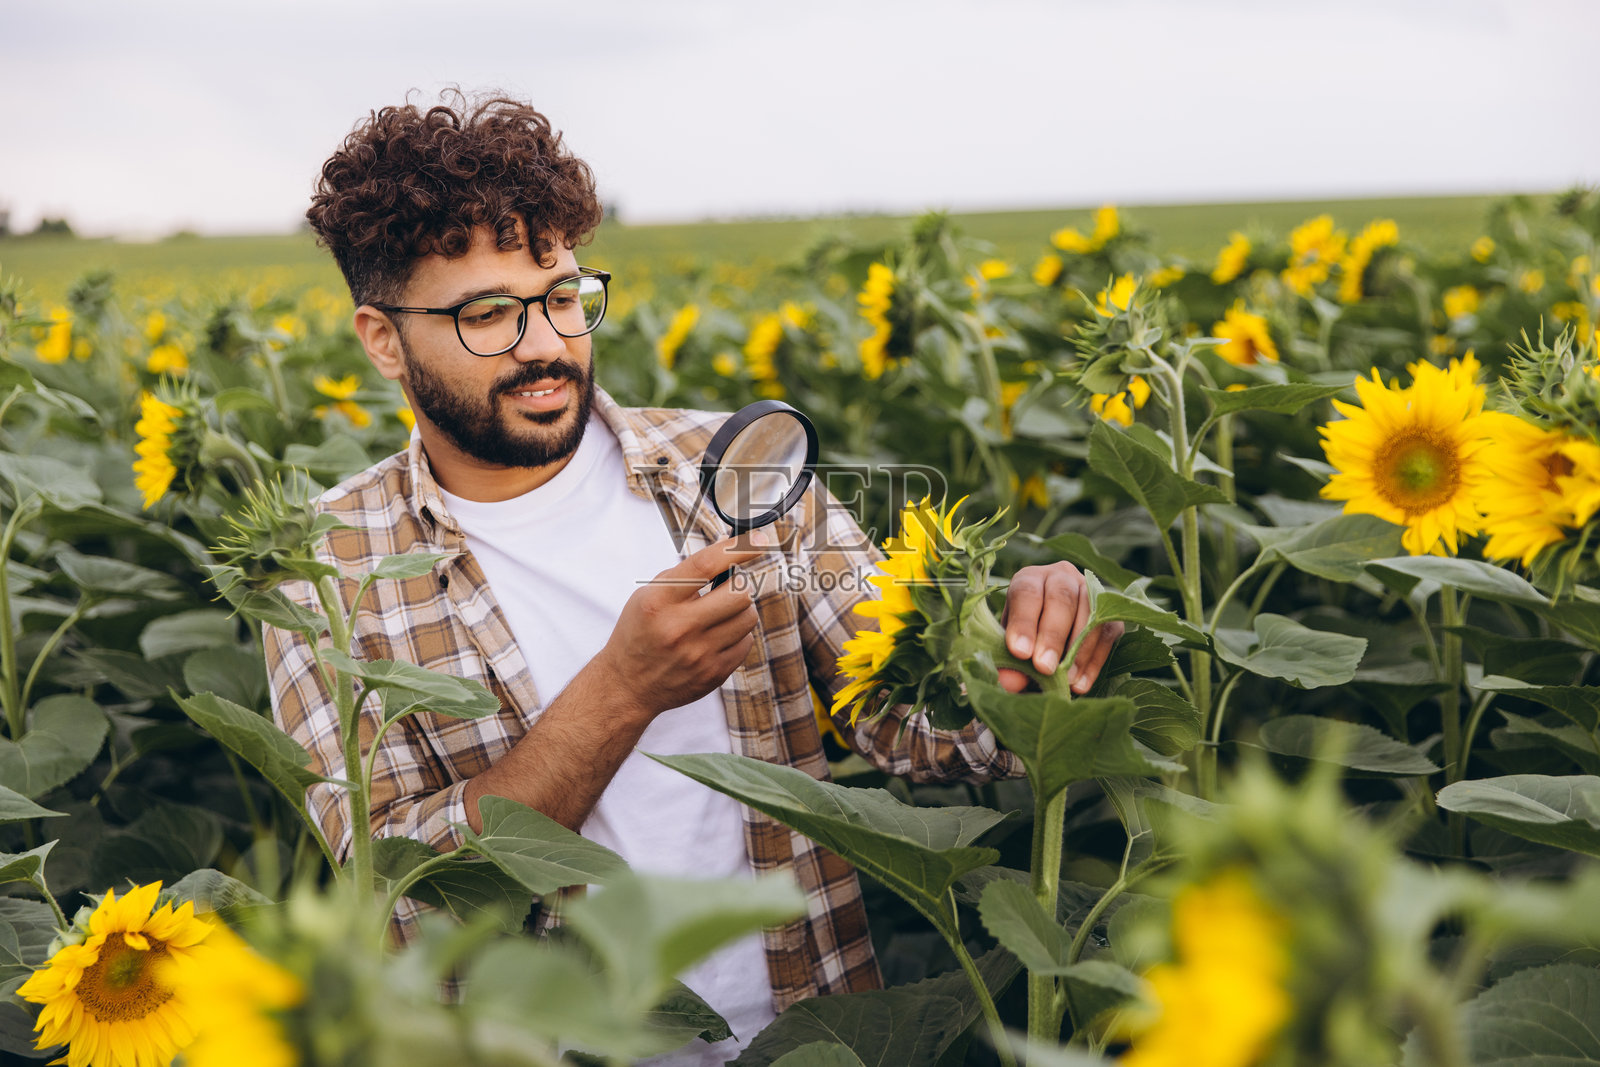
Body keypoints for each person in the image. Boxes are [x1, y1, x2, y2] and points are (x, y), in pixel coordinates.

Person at [268, 91, 1123, 1064]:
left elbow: (913, 722)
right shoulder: (325, 567)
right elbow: (401, 894)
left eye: (559, 296)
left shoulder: (737, 461)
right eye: (487, 315)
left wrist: (1016, 656)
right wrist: (620, 692)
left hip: (813, 1032)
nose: (545, 343)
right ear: (383, 338)